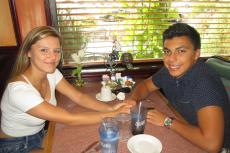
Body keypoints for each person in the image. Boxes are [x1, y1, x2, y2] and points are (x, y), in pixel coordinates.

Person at [0, 26, 131, 153]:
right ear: (28, 52)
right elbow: (70, 119)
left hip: (39, 135)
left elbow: (78, 97)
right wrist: (115, 114)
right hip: (13, 145)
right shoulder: (19, 91)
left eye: (56, 51)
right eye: (44, 50)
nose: (52, 57)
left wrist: (110, 109)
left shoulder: (51, 73)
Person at [128, 23, 230, 153]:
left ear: (196, 54)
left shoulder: (204, 83)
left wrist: (167, 121)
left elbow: (212, 145)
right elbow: (145, 86)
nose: (171, 59)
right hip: (186, 126)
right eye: (167, 51)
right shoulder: (171, 70)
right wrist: (133, 101)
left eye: (181, 51)